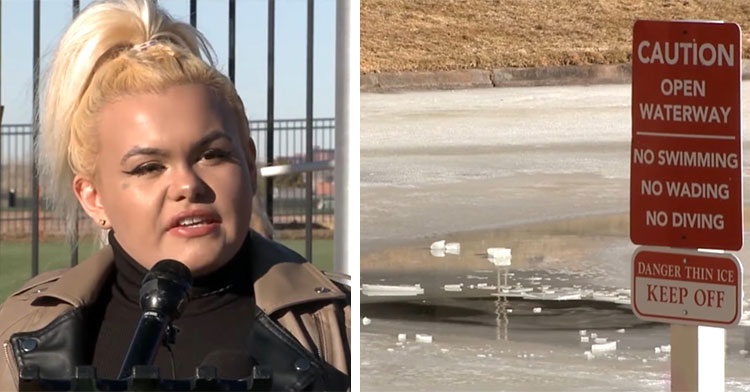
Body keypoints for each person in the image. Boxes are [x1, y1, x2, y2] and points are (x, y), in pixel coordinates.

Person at [0, 0, 350, 390]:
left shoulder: (347, 327)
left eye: (212, 155)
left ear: (250, 166)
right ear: (93, 197)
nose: (188, 185)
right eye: (149, 167)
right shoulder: (16, 334)